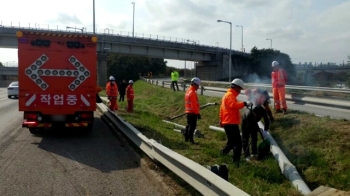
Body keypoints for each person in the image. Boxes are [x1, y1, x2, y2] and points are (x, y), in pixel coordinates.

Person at [220, 78, 253, 166]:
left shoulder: (226, 95)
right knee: (238, 144)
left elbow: (222, 110)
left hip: (227, 122)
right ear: (236, 88)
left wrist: (221, 120)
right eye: (239, 89)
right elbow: (233, 105)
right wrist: (245, 103)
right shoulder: (230, 95)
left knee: (231, 141)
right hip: (231, 123)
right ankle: (236, 162)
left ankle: (222, 154)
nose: (239, 92)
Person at [183, 77, 201, 144]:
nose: (198, 87)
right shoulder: (192, 93)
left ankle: (186, 137)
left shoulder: (188, 91)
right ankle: (191, 140)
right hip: (192, 113)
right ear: (194, 84)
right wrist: (197, 113)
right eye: (198, 85)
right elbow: (193, 105)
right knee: (192, 127)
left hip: (188, 112)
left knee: (188, 126)